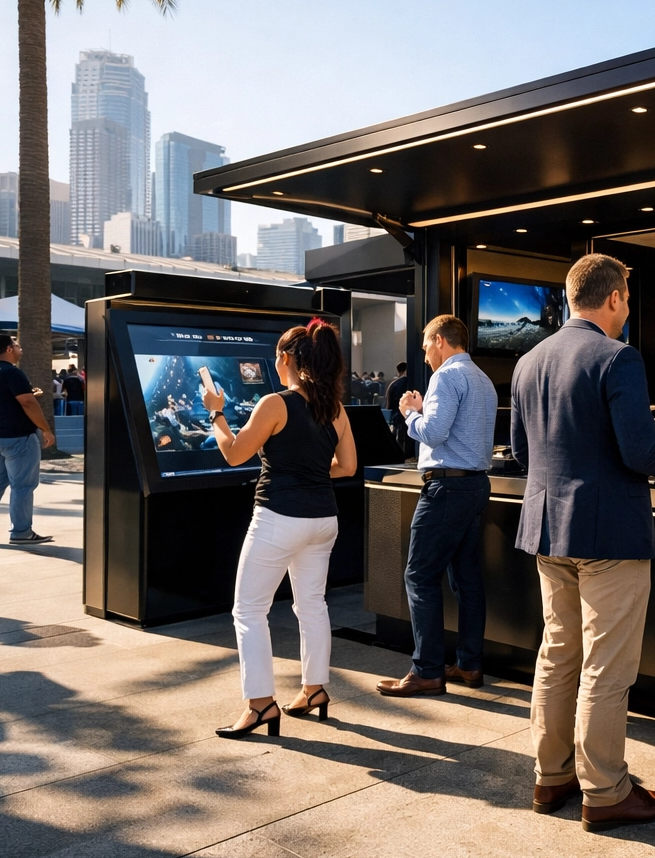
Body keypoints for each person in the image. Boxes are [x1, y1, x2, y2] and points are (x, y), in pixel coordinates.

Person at [510, 253, 655, 832]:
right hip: (608, 535)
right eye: (627, 299)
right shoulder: (619, 358)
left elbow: (521, 452)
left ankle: (552, 775)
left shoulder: (529, 360)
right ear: (614, 298)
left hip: (548, 531)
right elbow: (642, 452)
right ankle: (607, 792)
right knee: (606, 669)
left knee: (558, 656)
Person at [203, 319, 357, 739]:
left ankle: (259, 705)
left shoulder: (275, 403)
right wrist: (308, 469)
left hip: (279, 517)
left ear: (286, 358)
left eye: (277, 354)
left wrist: (216, 412)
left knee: (249, 610)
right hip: (324, 520)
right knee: (312, 605)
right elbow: (347, 467)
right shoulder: (335, 408)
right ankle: (314, 690)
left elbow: (234, 454)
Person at [378, 316, 497, 698]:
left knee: (419, 576)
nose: (425, 353)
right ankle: (469, 663)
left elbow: (433, 432)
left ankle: (427, 670)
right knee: (466, 580)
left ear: (441, 341)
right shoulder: (482, 379)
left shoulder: (445, 377)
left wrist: (411, 410)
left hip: (446, 487)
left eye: (427, 344)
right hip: (476, 485)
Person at [0, 335, 54, 545]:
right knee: (22, 485)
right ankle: (21, 532)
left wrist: (29, 393)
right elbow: (27, 403)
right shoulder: (12, 372)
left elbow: (2, 398)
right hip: (16, 437)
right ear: (9, 349)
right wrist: (46, 429)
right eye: (17, 345)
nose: (20, 348)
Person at [385, 361, 412, 457]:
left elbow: (389, 404)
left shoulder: (394, 384)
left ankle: (397, 455)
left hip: (397, 414)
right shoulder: (411, 382)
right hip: (409, 414)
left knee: (398, 436)